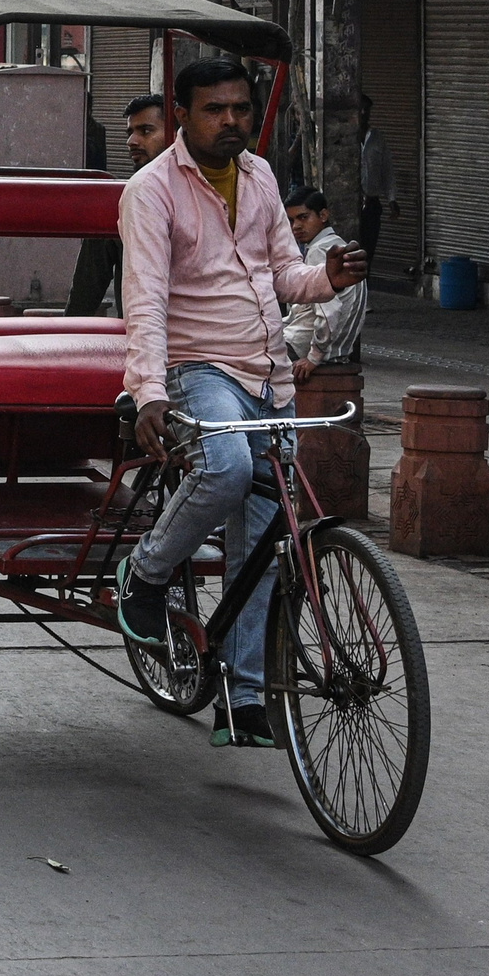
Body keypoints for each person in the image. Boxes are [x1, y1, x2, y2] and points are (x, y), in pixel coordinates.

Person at [115, 58, 365, 749]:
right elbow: (145, 302)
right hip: (198, 368)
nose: (230, 121)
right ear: (183, 114)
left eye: (240, 109)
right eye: (214, 109)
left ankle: (243, 697)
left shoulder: (258, 176)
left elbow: (282, 271)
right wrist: (149, 393)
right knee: (224, 469)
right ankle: (146, 571)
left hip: (269, 374)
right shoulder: (152, 190)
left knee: (264, 535)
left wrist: (325, 279)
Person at [66, 93, 173, 316]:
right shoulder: (120, 201)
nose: (132, 141)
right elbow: (85, 293)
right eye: (130, 132)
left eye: (146, 131)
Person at [282, 186, 367, 383]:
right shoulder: (334, 245)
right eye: (292, 220)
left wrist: (313, 357)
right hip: (336, 348)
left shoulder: (322, 252)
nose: (296, 226)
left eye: (303, 217)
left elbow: (329, 311)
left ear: (323, 215)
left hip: (305, 345)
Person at [359, 94, 393, 265]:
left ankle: (365, 287)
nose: (364, 113)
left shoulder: (377, 137)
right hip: (352, 204)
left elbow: (387, 169)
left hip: (372, 203)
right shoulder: (343, 137)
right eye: (360, 109)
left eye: (367, 110)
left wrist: (391, 199)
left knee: (368, 251)